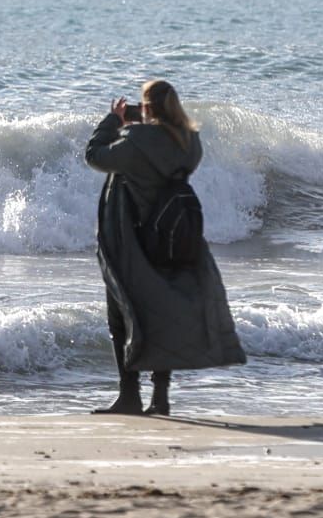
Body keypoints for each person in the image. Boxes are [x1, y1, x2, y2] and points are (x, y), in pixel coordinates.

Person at [83, 78, 245, 415]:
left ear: (145, 109)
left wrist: (114, 121)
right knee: (161, 313)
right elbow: (162, 151)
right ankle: (160, 397)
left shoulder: (135, 144)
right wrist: (144, 125)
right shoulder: (188, 143)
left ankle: (130, 395)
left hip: (135, 240)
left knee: (121, 316)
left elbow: (95, 156)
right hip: (174, 236)